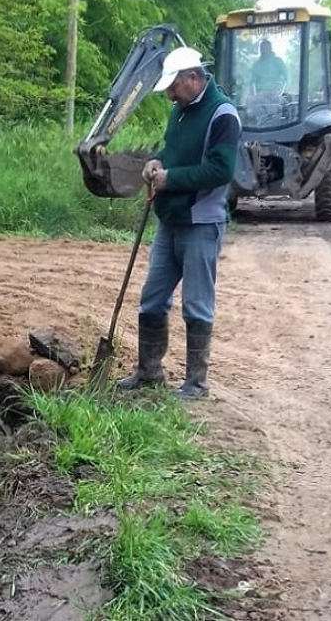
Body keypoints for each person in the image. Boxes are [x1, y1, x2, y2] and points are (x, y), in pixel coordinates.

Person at [117, 46, 241, 400]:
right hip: (170, 220)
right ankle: (149, 370)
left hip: (201, 221)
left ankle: (196, 383)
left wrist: (170, 179)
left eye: (174, 86)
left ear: (193, 77)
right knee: (152, 299)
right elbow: (171, 151)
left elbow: (221, 170)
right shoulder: (181, 111)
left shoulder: (222, 114)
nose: (170, 94)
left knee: (197, 304)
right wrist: (155, 163)